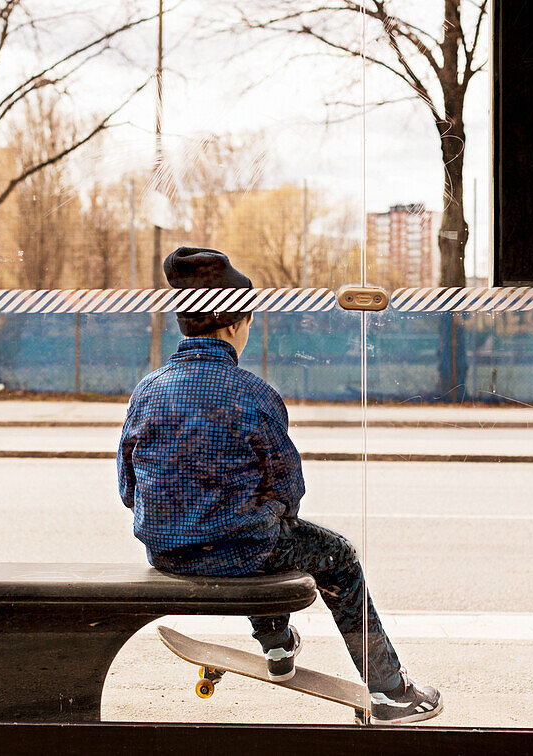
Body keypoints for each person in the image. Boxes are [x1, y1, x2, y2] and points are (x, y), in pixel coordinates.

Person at [116, 247, 443, 725]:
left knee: (256, 529)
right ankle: (391, 693)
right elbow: (289, 491)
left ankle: (277, 646)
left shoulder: (147, 389)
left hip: (165, 553)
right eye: (249, 321)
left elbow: (127, 488)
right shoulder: (254, 394)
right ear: (233, 325)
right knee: (330, 552)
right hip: (242, 552)